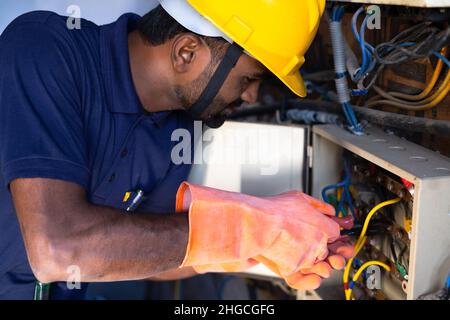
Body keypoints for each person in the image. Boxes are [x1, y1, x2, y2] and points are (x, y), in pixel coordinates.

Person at [0, 0, 351, 299]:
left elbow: (143, 251)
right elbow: (56, 249)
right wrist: (256, 227)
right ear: (186, 52)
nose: (251, 97)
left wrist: (261, 248)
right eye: (248, 79)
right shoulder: (44, 49)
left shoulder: (179, 129)